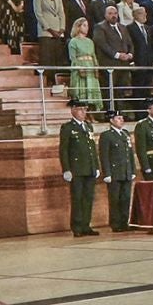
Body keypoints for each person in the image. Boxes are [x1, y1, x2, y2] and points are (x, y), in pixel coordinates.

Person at [58, 99, 101, 237]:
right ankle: (77, 226)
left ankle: (86, 225)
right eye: (80, 109)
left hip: (89, 168)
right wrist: (66, 169)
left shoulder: (88, 126)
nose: (83, 112)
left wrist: (96, 166)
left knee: (88, 198)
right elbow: (64, 150)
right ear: (73, 111)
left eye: (85, 109)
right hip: (76, 169)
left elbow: (92, 149)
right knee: (77, 198)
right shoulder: (68, 128)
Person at [99, 106, 136, 232]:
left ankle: (124, 222)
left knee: (125, 198)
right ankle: (115, 223)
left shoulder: (125, 134)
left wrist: (132, 170)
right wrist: (107, 173)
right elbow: (104, 155)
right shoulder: (107, 135)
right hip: (114, 172)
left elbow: (130, 154)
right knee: (115, 199)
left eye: (122, 118)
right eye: (118, 118)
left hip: (126, 171)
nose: (121, 120)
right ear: (111, 120)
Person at [68, 17, 101, 106]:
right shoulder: (73, 41)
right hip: (80, 66)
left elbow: (94, 55)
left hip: (90, 67)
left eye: (87, 25)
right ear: (78, 27)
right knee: (82, 88)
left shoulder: (90, 41)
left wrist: (96, 68)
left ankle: (92, 109)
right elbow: (73, 58)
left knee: (91, 87)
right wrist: (79, 68)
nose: (87, 28)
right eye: (84, 25)